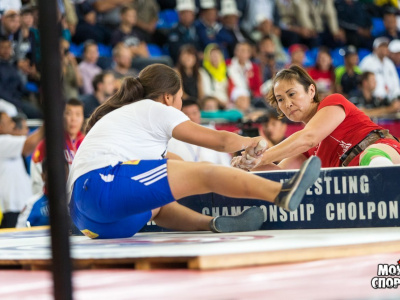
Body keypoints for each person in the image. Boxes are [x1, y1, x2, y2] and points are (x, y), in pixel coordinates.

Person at [67, 63, 321, 239]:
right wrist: (250, 141)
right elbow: (220, 142)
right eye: (179, 98)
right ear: (168, 98)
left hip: (88, 221)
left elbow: (172, 163)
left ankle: (211, 224)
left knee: (161, 204)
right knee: (205, 173)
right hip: (101, 187)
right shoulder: (154, 108)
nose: (180, 104)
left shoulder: (129, 122)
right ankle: (281, 192)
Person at [232, 65, 400, 171]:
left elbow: (309, 137)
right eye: (280, 99)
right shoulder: (302, 148)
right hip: (358, 181)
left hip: (383, 151)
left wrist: (262, 157)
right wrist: (247, 165)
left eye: (292, 94)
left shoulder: (333, 101)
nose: (287, 104)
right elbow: (279, 174)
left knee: (371, 156)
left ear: (311, 91)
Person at [31, 99, 85, 195]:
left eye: (78, 114)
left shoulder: (87, 143)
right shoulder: (49, 143)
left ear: (82, 118)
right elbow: (37, 176)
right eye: (69, 113)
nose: (73, 119)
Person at [0, 111, 44, 228]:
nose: (13, 124)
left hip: (19, 206)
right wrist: (48, 125)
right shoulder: (2, 141)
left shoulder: (9, 145)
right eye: (9, 121)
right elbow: (28, 144)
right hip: (11, 208)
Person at [167, 99, 231, 166]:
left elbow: (226, 163)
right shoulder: (171, 140)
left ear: (199, 114)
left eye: (194, 113)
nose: (191, 117)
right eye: (186, 114)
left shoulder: (212, 134)